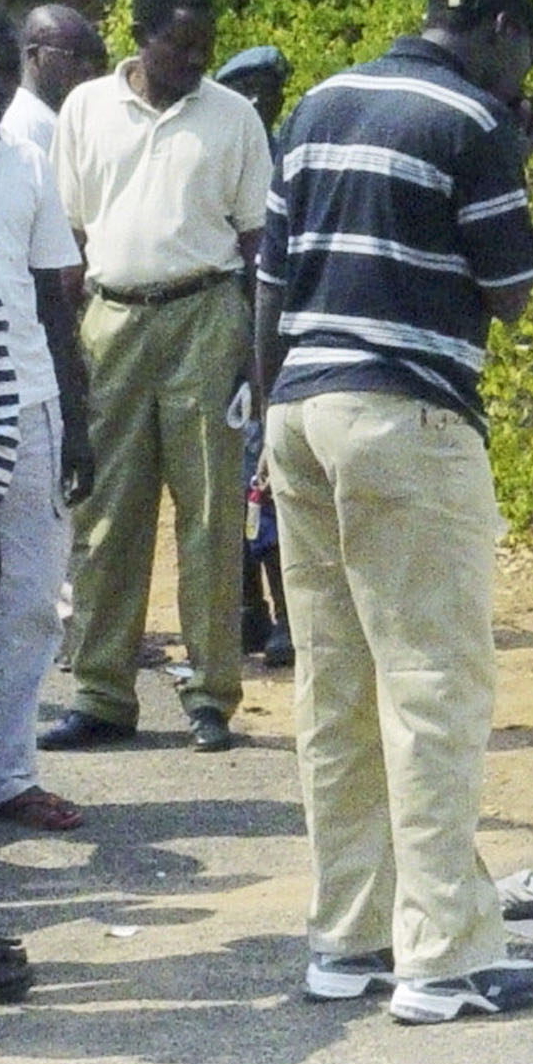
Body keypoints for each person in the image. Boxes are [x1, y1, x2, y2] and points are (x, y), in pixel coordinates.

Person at [255, 0, 533, 1023]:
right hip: (405, 417)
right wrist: (519, 157)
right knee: (431, 686)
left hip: (298, 408)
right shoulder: (470, 122)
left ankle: (347, 939)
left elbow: (271, 280)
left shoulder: (319, 103)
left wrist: (265, 425)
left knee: (333, 688)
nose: (527, 71)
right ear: (501, 32)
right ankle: (441, 958)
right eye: (530, 49)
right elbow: (514, 292)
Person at [41, 0, 272, 754]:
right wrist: (69, 348)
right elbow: (68, 236)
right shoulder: (86, 110)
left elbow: (254, 242)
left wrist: (255, 354)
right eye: (181, 44)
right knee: (107, 516)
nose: (196, 59)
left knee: (210, 515)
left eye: (205, 45)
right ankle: (102, 693)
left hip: (205, 314)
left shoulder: (233, 117)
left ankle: (211, 696)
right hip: (111, 320)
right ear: (140, 37)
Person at [0, 13, 94, 834]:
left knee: (30, 600)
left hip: (29, 408)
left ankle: (10, 773)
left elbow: (59, 307)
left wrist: (80, 423)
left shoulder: (26, 162)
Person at [215, 44, 293, 669]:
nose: (262, 103)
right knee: (232, 484)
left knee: (263, 486)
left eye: (271, 92)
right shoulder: (219, 151)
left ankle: (284, 618)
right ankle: (247, 613)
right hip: (220, 335)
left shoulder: (282, 155)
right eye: (251, 91)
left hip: (266, 340)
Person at [0, 4, 107, 153]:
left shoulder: (51, 118)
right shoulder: (27, 124)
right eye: (72, 55)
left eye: (89, 57)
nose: (86, 66)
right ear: (34, 56)